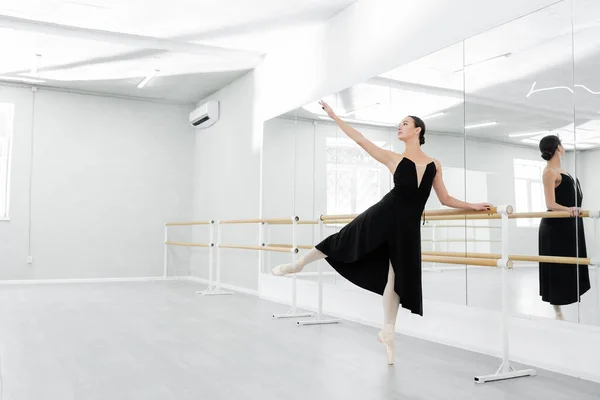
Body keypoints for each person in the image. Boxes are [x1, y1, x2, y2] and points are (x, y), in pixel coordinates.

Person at [272, 100, 492, 365]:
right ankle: (298, 264)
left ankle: (388, 331)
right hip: (383, 214)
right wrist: (334, 116)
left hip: (407, 227)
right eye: (399, 123)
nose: (399, 127)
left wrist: (473, 205)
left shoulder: (435, 164)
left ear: (418, 130)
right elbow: (360, 139)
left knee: (396, 278)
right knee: (340, 240)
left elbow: (444, 198)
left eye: (405, 123)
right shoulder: (394, 158)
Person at [538, 135, 590, 320]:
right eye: (562, 144)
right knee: (558, 266)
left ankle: (569, 298)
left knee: (572, 263)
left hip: (570, 223)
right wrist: (570, 209)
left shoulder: (563, 170)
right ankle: (557, 309)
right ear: (558, 148)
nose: (564, 147)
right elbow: (550, 203)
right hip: (556, 226)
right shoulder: (549, 172)